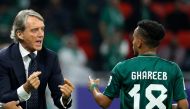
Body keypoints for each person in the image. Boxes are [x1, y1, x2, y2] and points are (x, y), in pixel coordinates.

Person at [88, 20, 189, 109]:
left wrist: (93, 87)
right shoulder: (173, 69)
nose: (132, 42)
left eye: (134, 38)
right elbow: (183, 106)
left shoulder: (122, 68)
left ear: (139, 42)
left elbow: (103, 102)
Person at [0, 9, 74, 109]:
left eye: (42, 29)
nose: (41, 34)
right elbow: (3, 98)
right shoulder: (3, 58)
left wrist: (65, 97)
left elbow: (58, 99)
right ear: (20, 34)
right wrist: (25, 89)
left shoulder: (50, 57)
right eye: (34, 30)